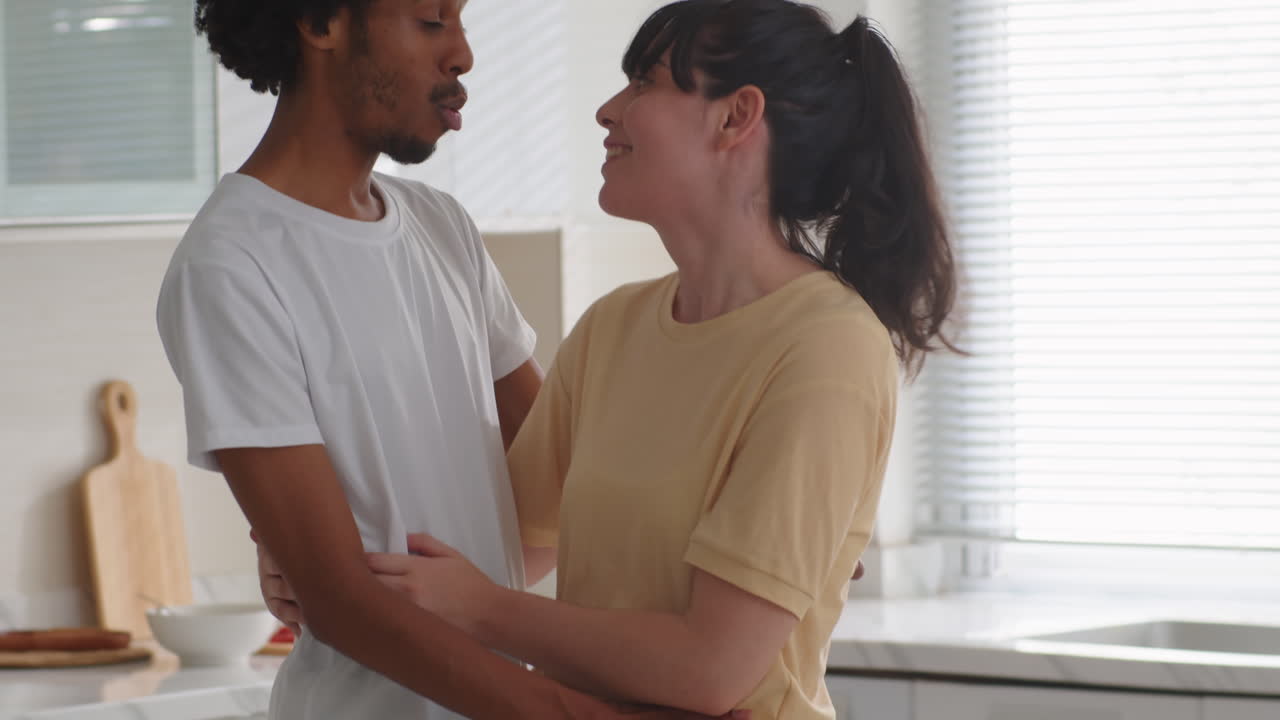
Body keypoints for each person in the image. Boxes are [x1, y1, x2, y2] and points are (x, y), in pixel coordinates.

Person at [262, 1, 959, 718]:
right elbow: (495, 544)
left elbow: (710, 670)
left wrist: (482, 610)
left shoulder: (826, 346)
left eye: (645, 83)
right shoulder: (615, 328)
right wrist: (321, 560)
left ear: (735, 117)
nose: (607, 109)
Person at [157, 0, 745, 718]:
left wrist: (755, 526)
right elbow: (341, 604)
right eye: (433, 20)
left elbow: (569, 480)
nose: (462, 55)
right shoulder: (233, 263)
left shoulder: (441, 228)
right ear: (320, 22)